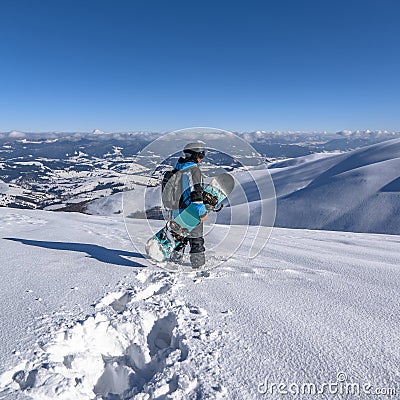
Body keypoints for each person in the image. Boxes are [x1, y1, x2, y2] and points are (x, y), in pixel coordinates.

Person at [171, 142, 208, 268]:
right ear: (195, 154)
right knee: (196, 238)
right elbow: (195, 193)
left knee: (180, 235)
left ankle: (176, 257)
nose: (201, 158)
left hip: (176, 209)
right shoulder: (193, 170)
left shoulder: (178, 168)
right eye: (201, 154)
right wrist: (202, 212)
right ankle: (198, 265)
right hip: (190, 210)